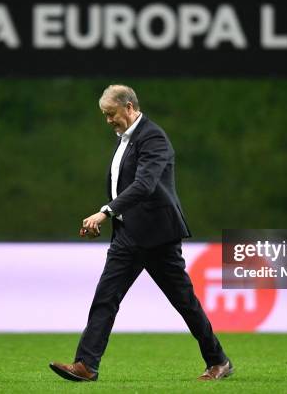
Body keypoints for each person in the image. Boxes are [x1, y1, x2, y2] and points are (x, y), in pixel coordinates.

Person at [49, 84, 233, 382]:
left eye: (111, 114)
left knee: (184, 302)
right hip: (127, 235)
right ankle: (86, 365)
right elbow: (124, 186)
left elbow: (145, 185)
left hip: (158, 236)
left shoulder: (153, 137)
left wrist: (105, 211)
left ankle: (218, 361)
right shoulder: (125, 138)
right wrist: (112, 217)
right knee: (105, 298)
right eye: (105, 115)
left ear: (130, 107)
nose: (108, 120)